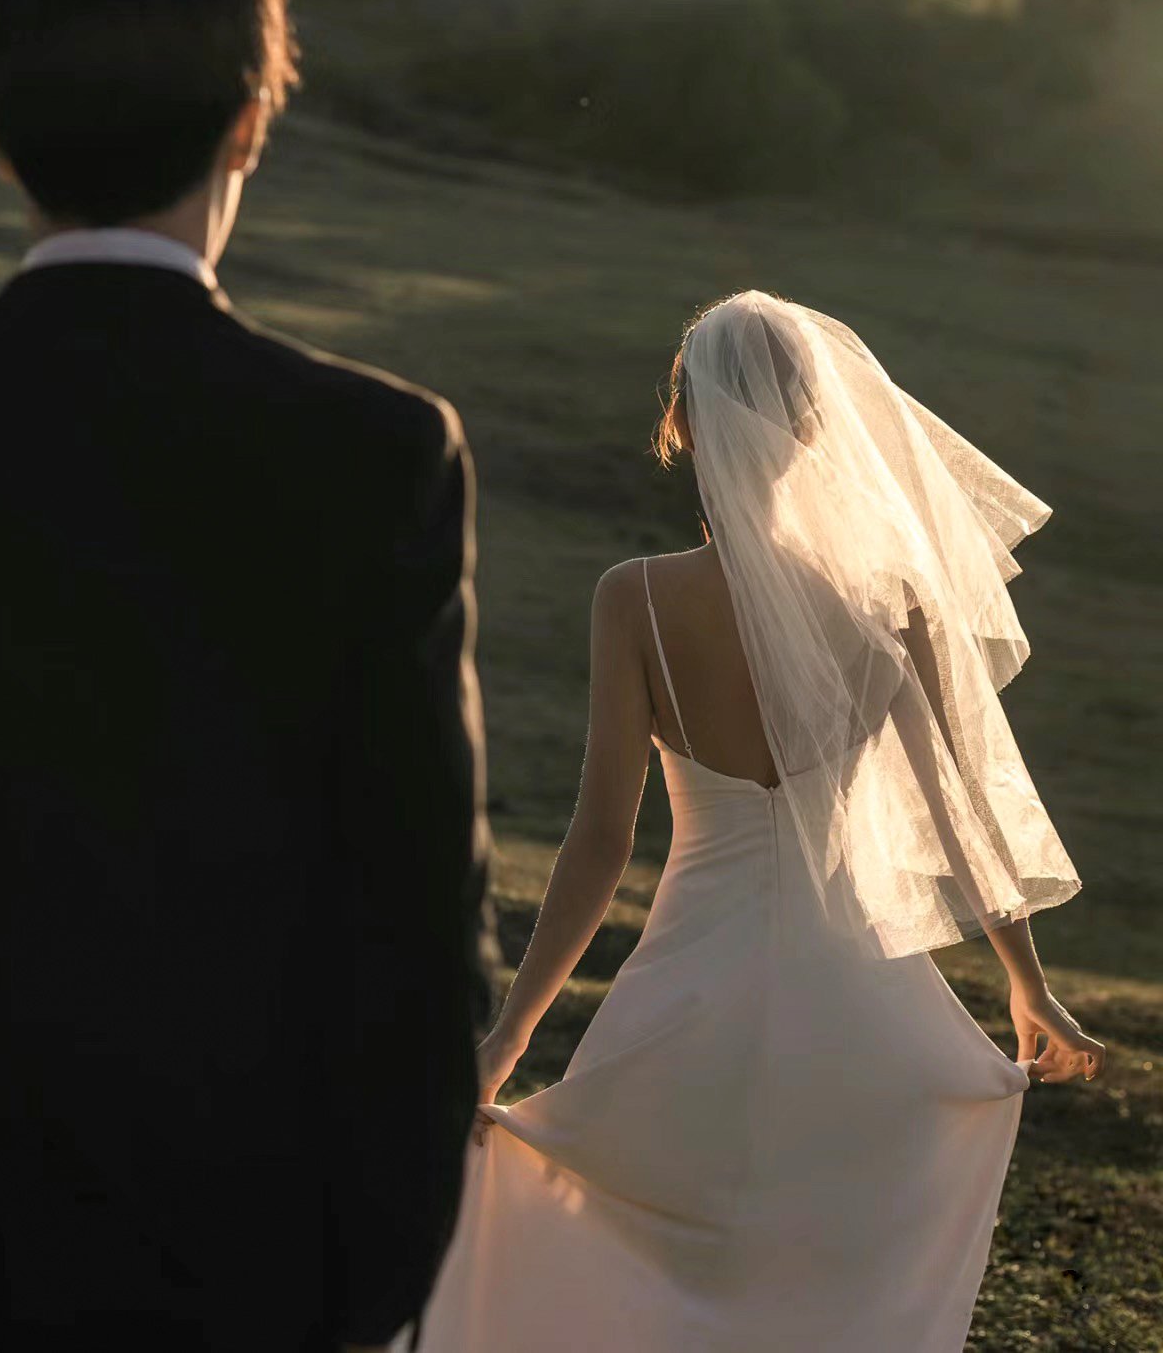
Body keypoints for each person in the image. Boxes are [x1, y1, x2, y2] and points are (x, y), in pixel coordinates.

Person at [0, 0, 496, 1353]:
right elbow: (418, 919)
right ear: (248, 122)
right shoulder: (376, 455)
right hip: (243, 1264)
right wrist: (371, 1283)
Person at [404, 289, 1104, 1353]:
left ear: (681, 425)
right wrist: (1025, 981)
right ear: (818, 427)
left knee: (654, 1261)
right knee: (822, 1282)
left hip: (691, 988)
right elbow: (957, 815)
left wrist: (507, 1039)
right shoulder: (890, 605)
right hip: (861, 1000)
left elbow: (598, 843)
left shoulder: (631, 599)